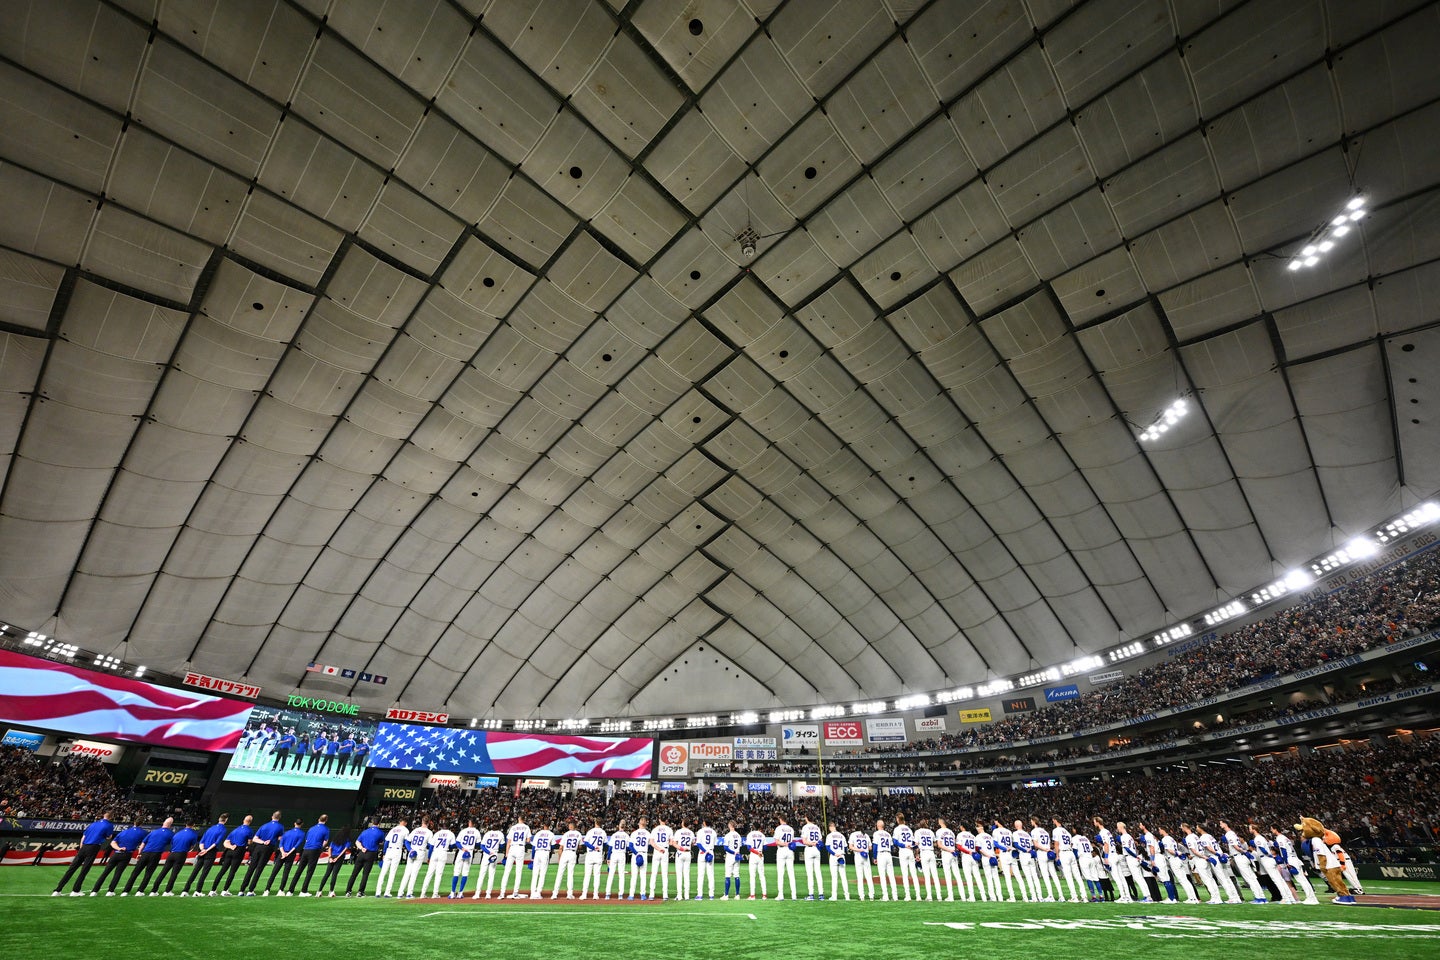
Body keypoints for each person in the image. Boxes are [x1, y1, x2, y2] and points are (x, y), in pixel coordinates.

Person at [53, 811, 114, 896]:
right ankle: (75, 890)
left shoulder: (93, 824)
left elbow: (83, 836)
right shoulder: (109, 825)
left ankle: (57, 890)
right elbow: (109, 837)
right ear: (111, 817)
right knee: (84, 870)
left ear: (104, 815)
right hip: (93, 847)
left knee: (71, 869)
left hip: (84, 846)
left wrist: (82, 848)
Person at [90, 818, 146, 896]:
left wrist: (119, 848)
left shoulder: (124, 832)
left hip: (116, 853)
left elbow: (113, 843)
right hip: (126, 854)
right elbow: (143, 844)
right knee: (118, 874)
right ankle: (110, 891)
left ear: (134, 822)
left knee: (105, 873)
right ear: (142, 824)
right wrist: (140, 853)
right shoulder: (143, 833)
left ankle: (94, 891)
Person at [121, 817, 175, 896]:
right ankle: (140, 891)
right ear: (170, 825)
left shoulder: (154, 832)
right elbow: (173, 844)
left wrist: (139, 853)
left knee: (135, 872)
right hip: (155, 854)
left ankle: (126, 891)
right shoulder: (171, 834)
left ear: (163, 823)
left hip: (145, 853)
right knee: (148, 873)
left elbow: (143, 843)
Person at [1219, 820, 1268, 904]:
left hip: (1239, 857)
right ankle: (1262, 897)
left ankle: (1258, 898)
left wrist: (1245, 852)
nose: (1220, 825)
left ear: (1225, 824)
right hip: (1241, 856)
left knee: (1249, 879)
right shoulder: (1232, 833)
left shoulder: (1229, 834)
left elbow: (1236, 847)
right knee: (1253, 878)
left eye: (1221, 823)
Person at [180, 814, 229, 897]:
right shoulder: (223, 829)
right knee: (204, 873)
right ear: (226, 820)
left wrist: (202, 850)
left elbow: (202, 841)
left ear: (219, 819)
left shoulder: (211, 828)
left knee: (195, 871)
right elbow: (216, 842)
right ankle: (198, 891)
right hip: (210, 852)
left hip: (202, 851)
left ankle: (185, 890)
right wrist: (206, 850)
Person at [239, 810, 285, 896]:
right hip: (268, 848)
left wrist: (263, 842)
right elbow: (280, 838)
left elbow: (255, 839)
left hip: (258, 847)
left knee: (251, 868)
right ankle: (250, 890)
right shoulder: (280, 827)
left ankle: (241, 890)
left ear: (272, 816)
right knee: (259, 869)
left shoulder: (264, 826)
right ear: (279, 818)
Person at [1271, 826, 1320, 905]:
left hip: (1290, 859)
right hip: (1295, 858)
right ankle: (1312, 898)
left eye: (1272, 828)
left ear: (1275, 829)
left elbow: (1283, 850)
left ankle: (1311, 898)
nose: (1271, 830)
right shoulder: (1285, 837)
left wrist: (1286, 862)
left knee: (1301, 880)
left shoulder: (1279, 838)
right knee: (1303, 879)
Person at [149, 820, 199, 896]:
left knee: (163, 872)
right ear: (193, 825)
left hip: (172, 853)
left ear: (185, 824)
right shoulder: (193, 834)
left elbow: (172, 843)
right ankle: (167, 891)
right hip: (181, 854)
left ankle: (154, 891)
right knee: (174, 874)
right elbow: (192, 846)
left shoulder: (178, 833)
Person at [1194, 824, 1242, 903]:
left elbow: (1208, 848)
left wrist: (1217, 854)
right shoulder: (1209, 836)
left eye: (1197, 827)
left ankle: (1232, 898)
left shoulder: (1203, 837)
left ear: (1200, 828)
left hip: (1215, 857)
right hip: (1221, 856)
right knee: (1227, 878)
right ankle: (1236, 897)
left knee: (1222, 879)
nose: (1196, 828)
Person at [1248, 823, 1295, 903]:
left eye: (1250, 828)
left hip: (1266, 859)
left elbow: (1263, 849)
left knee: (1277, 879)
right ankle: (1290, 898)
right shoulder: (1261, 837)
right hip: (1267, 859)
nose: (1249, 830)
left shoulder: (1258, 838)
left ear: (1254, 829)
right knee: (1279, 879)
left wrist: (1270, 855)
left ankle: (1286, 898)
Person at [210, 815, 255, 896]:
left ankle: (212, 890)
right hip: (239, 851)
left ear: (243, 820)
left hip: (229, 851)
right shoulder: (249, 830)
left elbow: (225, 842)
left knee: (222, 871)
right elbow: (249, 842)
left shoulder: (235, 830)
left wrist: (231, 847)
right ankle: (225, 890)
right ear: (250, 822)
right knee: (232, 872)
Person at [1156, 825, 1200, 904]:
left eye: (1159, 829)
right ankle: (1193, 898)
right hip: (1178, 860)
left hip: (1174, 859)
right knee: (1185, 880)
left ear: (1163, 830)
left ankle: (1192, 899)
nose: (1159, 831)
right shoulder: (1171, 838)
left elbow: (1169, 850)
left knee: (1182, 880)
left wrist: (1177, 853)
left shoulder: (1165, 839)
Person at [289, 814, 330, 896]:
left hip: (306, 850)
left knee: (299, 870)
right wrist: (320, 848)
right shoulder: (326, 829)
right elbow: (325, 841)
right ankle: (303, 891)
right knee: (310, 871)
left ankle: (290, 891)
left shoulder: (311, 828)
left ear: (318, 819)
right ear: (326, 820)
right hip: (314, 850)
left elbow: (307, 839)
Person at [347, 819, 387, 897]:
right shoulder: (380, 833)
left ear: (372, 823)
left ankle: (348, 891)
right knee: (365, 874)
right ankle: (360, 892)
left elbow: (357, 842)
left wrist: (362, 848)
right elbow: (381, 842)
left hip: (362, 853)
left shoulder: (365, 831)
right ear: (379, 824)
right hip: (371, 854)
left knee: (354, 874)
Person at [265, 819, 306, 896]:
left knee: (274, 872)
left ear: (294, 823)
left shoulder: (287, 833)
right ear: (302, 824)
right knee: (285, 873)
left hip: (282, 853)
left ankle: (267, 890)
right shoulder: (302, 834)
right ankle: (281, 890)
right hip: (290, 854)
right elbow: (296, 846)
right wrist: (287, 853)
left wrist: (283, 852)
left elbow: (281, 844)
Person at [399, 818, 432, 899]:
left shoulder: (415, 830)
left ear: (422, 822)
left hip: (412, 851)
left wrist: (410, 850)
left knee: (407, 873)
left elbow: (406, 841)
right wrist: (429, 856)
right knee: (414, 873)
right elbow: (431, 845)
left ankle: (400, 893)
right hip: (420, 852)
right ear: (428, 823)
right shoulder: (429, 832)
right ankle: (409, 893)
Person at [1030, 818, 1062, 902]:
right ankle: (1061, 895)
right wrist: (1048, 849)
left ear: (1034, 821)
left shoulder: (1034, 831)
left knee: (1045, 875)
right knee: (1054, 874)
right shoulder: (1045, 831)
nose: (1031, 822)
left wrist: (1044, 849)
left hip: (1042, 852)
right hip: (1049, 853)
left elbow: (1036, 844)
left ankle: (1050, 896)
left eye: (1031, 821)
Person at [1052, 819, 1083, 903]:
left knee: (1069, 876)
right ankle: (1084, 896)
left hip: (1064, 853)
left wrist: (1057, 856)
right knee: (1077, 876)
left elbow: (1056, 844)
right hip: (1071, 853)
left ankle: (1074, 897)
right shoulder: (1067, 832)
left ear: (1055, 820)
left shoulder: (1056, 830)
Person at [500, 816, 531, 899]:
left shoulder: (513, 827)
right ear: (524, 819)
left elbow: (508, 841)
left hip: (512, 848)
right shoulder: (526, 827)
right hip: (520, 848)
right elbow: (528, 840)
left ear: (518, 819)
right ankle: (515, 892)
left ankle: (502, 893)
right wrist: (522, 840)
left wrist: (506, 853)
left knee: (507, 871)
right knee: (518, 872)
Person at [378, 817, 410, 898]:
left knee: (383, 872)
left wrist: (384, 853)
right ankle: (387, 892)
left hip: (389, 850)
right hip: (397, 851)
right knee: (392, 872)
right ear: (405, 822)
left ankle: (378, 892)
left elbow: (386, 842)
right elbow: (406, 842)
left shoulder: (393, 829)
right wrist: (410, 850)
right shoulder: (405, 830)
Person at [421, 823, 455, 898]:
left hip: (435, 853)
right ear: (449, 827)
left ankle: (423, 893)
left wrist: (429, 857)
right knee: (438, 874)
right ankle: (435, 894)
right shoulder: (450, 834)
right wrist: (448, 846)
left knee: (429, 874)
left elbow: (431, 847)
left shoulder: (437, 833)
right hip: (443, 853)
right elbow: (453, 845)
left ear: (441, 827)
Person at [451, 820, 482, 898]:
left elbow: (457, 843)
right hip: (470, 852)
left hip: (462, 851)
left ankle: (452, 893)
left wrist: (463, 848)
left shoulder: (463, 831)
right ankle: (460, 893)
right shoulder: (477, 832)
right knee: (465, 873)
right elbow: (478, 844)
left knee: (456, 872)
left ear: (469, 823)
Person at [473, 823, 505, 898]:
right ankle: (488, 894)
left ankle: (477, 893)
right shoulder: (500, 834)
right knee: (491, 875)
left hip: (486, 855)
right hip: (494, 854)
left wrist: (488, 852)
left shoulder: (487, 833)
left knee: (481, 875)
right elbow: (502, 846)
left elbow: (482, 846)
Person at [1011, 820, 1039, 903]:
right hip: (1030, 855)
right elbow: (1032, 846)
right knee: (1034, 876)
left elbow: (1016, 845)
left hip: (1024, 854)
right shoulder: (1027, 834)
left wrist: (1024, 850)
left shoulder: (1015, 833)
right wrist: (1030, 851)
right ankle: (1037, 896)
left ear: (1015, 826)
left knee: (1028, 877)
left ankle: (1033, 897)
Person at [894, 815, 920, 901]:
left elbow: (895, 841)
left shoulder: (897, 829)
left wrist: (904, 845)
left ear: (898, 819)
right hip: (910, 852)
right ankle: (918, 896)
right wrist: (917, 854)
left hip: (903, 851)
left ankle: (908, 895)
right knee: (914, 874)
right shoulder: (909, 829)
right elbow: (914, 843)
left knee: (905, 874)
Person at [553, 821, 582, 899]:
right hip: (572, 853)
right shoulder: (578, 834)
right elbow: (580, 847)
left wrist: (559, 858)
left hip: (565, 853)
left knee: (559, 874)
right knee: (570, 874)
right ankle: (569, 894)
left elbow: (560, 847)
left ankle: (554, 894)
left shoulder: (566, 834)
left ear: (571, 826)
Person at [580, 819, 608, 899]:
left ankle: (584, 894)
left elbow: (585, 842)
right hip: (598, 854)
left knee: (587, 875)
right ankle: (595, 894)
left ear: (595, 823)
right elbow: (605, 844)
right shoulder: (603, 832)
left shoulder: (590, 831)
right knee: (597, 875)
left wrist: (593, 847)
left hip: (590, 854)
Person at [772, 816, 797, 901]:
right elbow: (792, 841)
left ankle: (781, 895)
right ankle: (794, 895)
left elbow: (777, 842)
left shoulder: (779, 828)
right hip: (790, 851)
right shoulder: (791, 829)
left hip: (782, 850)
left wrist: (784, 844)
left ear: (781, 820)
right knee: (791, 873)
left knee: (780, 873)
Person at [974, 821, 1001, 901]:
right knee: (996, 878)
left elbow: (979, 848)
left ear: (979, 828)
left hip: (986, 858)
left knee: (989, 878)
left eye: (977, 828)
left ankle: (993, 897)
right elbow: (994, 847)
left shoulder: (978, 836)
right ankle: (1000, 897)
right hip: (993, 856)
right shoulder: (989, 836)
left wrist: (987, 855)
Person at [957, 823, 984, 901]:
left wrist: (968, 852)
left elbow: (959, 846)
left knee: (968, 877)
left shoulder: (960, 834)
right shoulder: (973, 836)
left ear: (962, 827)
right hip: (974, 856)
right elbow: (976, 848)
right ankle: (983, 897)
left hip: (966, 856)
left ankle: (972, 897)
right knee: (978, 877)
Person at [798, 816, 823, 900]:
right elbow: (820, 841)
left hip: (809, 849)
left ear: (806, 818)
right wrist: (816, 844)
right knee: (818, 872)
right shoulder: (817, 827)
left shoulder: (805, 827)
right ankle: (821, 894)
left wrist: (812, 843)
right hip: (817, 850)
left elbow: (804, 841)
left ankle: (811, 894)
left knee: (810, 873)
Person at [936, 818, 961, 902]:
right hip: (953, 853)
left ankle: (951, 897)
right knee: (957, 875)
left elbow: (939, 845)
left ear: (940, 822)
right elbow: (955, 844)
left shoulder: (939, 831)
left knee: (948, 875)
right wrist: (952, 850)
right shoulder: (951, 832)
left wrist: (948, 850)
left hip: (946, 853)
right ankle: (963, 896)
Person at [914, 820, 940, 901]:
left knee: (927, 876)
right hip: (931, 853)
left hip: (924, 853)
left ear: (920, 825)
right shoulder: (931, 832)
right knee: (935, 875)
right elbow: (935, 844)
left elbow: (916, 845)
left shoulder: (918, 832)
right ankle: (939, 896)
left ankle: (929, 896)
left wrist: (917, 855)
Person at [872, 819, 896, 902]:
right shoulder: (888, 834)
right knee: (891, 876)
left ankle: (885, 896)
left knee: (882, 876)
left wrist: (874, 857)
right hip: (888, 854)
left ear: (878, 825)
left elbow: (875, 846)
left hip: (881, 854)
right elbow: (892, 848)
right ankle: (895, 896)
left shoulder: (876, 833)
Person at [604, 820, 628, 900]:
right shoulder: (626, 835)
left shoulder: (614, 835)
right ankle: (620, 894)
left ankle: (607, 894)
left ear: (618, 826)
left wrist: (608, 858)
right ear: (625, 826)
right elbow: (628, 847)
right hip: (621, 854)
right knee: (621, 875)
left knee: (611, 874)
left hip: (614, 854)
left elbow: (610, 847)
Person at [648, 818, 672, 900]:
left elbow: (651, 842)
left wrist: (658, 849)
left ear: (659, 820)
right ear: (666, 820)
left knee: (654, 873)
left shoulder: (655, 829)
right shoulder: (669, 829)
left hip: (657, 850)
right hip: (665, 850)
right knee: (664, 874)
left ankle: (651, 894)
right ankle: (665, 895)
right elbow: (671, 842)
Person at [825, 821, 850, 901]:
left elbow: (828, 848)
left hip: (834, 856)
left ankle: (834, 896)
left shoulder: (829, 836)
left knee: (834, 877)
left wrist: (834, 853)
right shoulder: (842, 836)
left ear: (830, 827)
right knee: (844, 877)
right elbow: (846, 848)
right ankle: (847, 896)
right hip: (842, 856)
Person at [694, 819, 717, 900]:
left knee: (700, 874)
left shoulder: (700, 831)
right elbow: (714, 844)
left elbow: (698, 844)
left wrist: (705, 851)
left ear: (704, 823)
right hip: (710, 852)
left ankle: (700, 895)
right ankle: (711, 895)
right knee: (710, 874)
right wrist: (708, 851)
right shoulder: (713, 832)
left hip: (702, 853)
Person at [530, 823, 555, 898]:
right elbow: (553, 846)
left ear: (543, 826)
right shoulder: (551, 834)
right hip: (545, 852)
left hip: (537, 852)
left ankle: (532, 893)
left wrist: (532, 857)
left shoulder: (538, 833)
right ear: (549, 826)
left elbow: (534, 847)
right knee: (542, 874)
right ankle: (538, 892)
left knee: (535, 874)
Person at [744, 823, 768, 900]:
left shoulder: (750, 834)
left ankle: (752, 895)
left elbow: (748, 848)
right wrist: (759, 852)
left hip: (754, 855)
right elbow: (765, 847)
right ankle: (764, 895)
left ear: (753, 827)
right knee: (762, 875)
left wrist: (756, 852)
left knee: (752, 876)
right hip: (760, 855)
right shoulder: (762, 835)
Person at [849, 824, 873, 901]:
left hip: (858, 855)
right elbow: (870, 848)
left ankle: (862, 896)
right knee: (869, 876)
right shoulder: (866, 835)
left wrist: (859, 850)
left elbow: (850, 847)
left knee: (860, 877)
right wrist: (864, 849)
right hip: (866, 856)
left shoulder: (853, 834)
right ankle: (871, 895)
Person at [627, 818, 649, 900]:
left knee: (634, 876)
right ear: (645, 824)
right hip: (643, 854)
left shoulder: (634, 833)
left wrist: (636, 854)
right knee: (643, 876)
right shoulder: (647, 833)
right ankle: (643, 894)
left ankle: (631, 895)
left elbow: (630, 846)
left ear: (639, 824)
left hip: (636, 854)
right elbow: (651, 844)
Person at [673, 820, 694, 901]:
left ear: (682, 823)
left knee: (679, 875)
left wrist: (681, 848)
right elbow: (692, 843)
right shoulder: (691, 832)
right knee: (686, 874)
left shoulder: (678, 832)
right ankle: (687, 895)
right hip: (688, 853)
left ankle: (679, 895)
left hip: (680, 852)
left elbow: (674, 843)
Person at [721, 821, 743, 900]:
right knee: (736, 875)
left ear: (730, 825)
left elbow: (725, 848)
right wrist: (736, 852)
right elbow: (740, 846)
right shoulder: (738, 835)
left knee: (727, 875)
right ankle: (737, 895)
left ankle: (726, 895)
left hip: (730, 856)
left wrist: (733, 852)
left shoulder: (728, 835)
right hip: (737, 856)